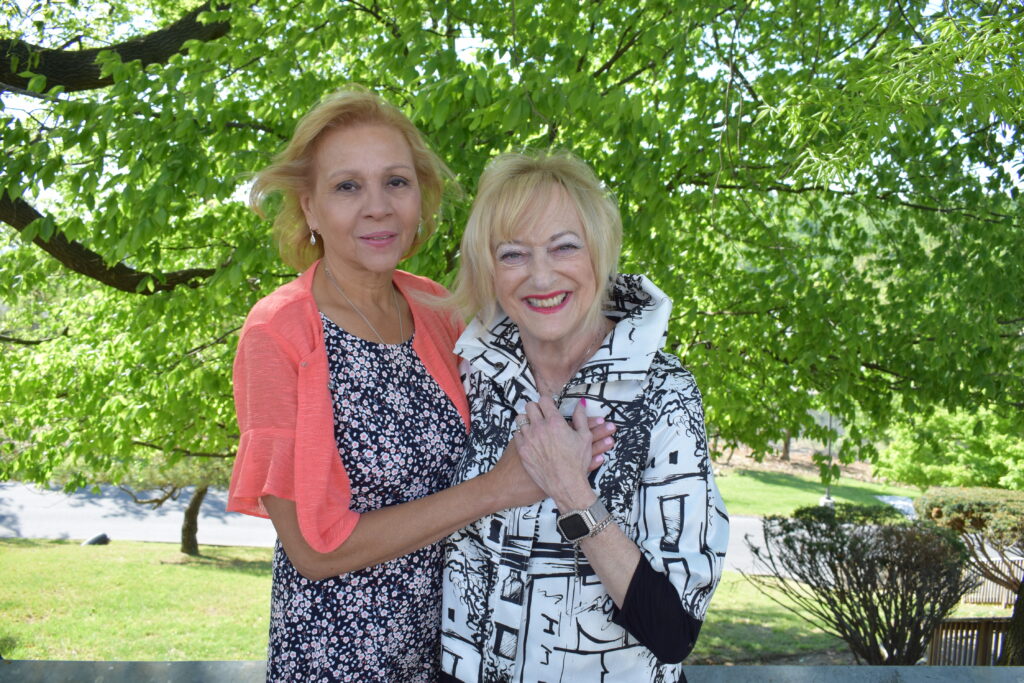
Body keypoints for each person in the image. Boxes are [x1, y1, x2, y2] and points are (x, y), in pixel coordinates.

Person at [226, 89, 615, 682]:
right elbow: (313, 549)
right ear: (308, 208)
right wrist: (496, 489)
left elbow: (549, 330)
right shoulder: (278, 332)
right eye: (347, 187)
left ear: (421, 198)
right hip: (341, 660)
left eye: (396, 182)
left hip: (456, 649)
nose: (378, 208)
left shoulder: (439, 309)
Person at [440, 151, 729, 682]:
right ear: (490, 269)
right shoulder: (472, 372)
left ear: (599, 251)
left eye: (564, 246)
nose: (541, 275)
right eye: (513, 254)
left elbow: (673, 632)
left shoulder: (664, 391)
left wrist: (572, 492)